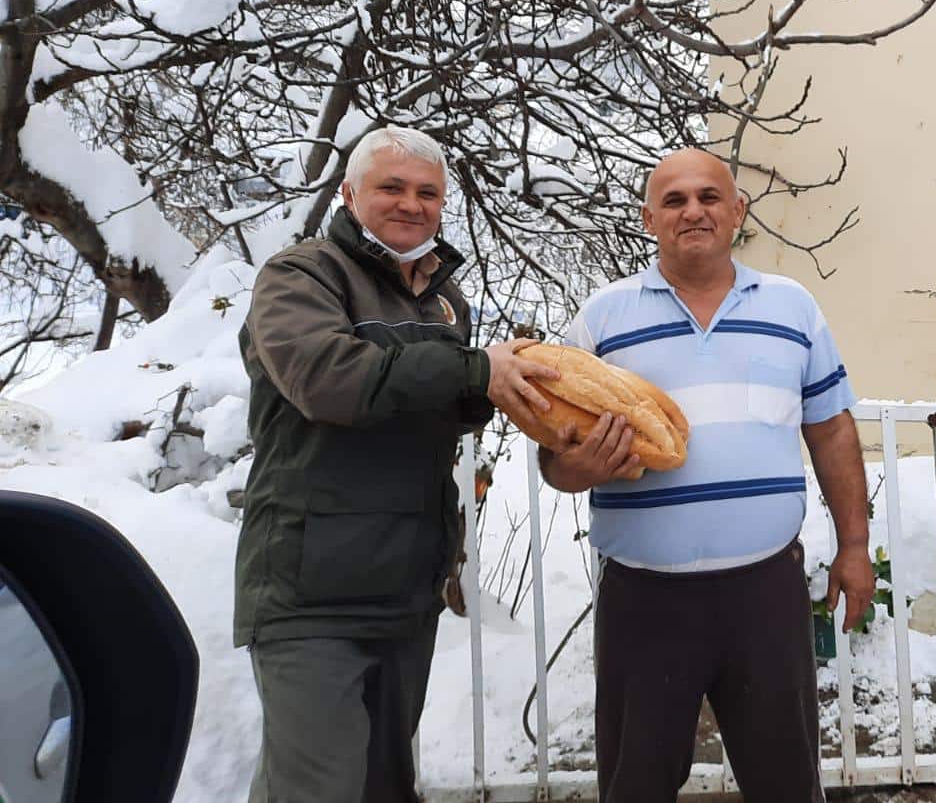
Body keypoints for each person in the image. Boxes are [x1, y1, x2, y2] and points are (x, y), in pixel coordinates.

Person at [520, 149, 873, 803]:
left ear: (737, 211)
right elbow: (554, 455)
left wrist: (855, 547)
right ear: (650, 218)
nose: (694, 211)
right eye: (675, 200)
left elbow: (830, 429)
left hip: (765, 594)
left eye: (709, 196)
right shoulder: (601, 320)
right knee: (637, 785)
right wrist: (579, 467)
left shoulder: (793, 308)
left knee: (787, 783)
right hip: (646, 602)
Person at [233, 126, 559, 803]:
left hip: (404, 591)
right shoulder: (301, 274)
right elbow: (329, 380)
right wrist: (473, 369)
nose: (411, 204)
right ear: (350, 194)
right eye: (391, 187)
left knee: (385, 788)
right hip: (310, 593)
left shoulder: (444, 303)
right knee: (317, 790)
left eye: (427, 193)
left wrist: (530, 396)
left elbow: (439, 410)